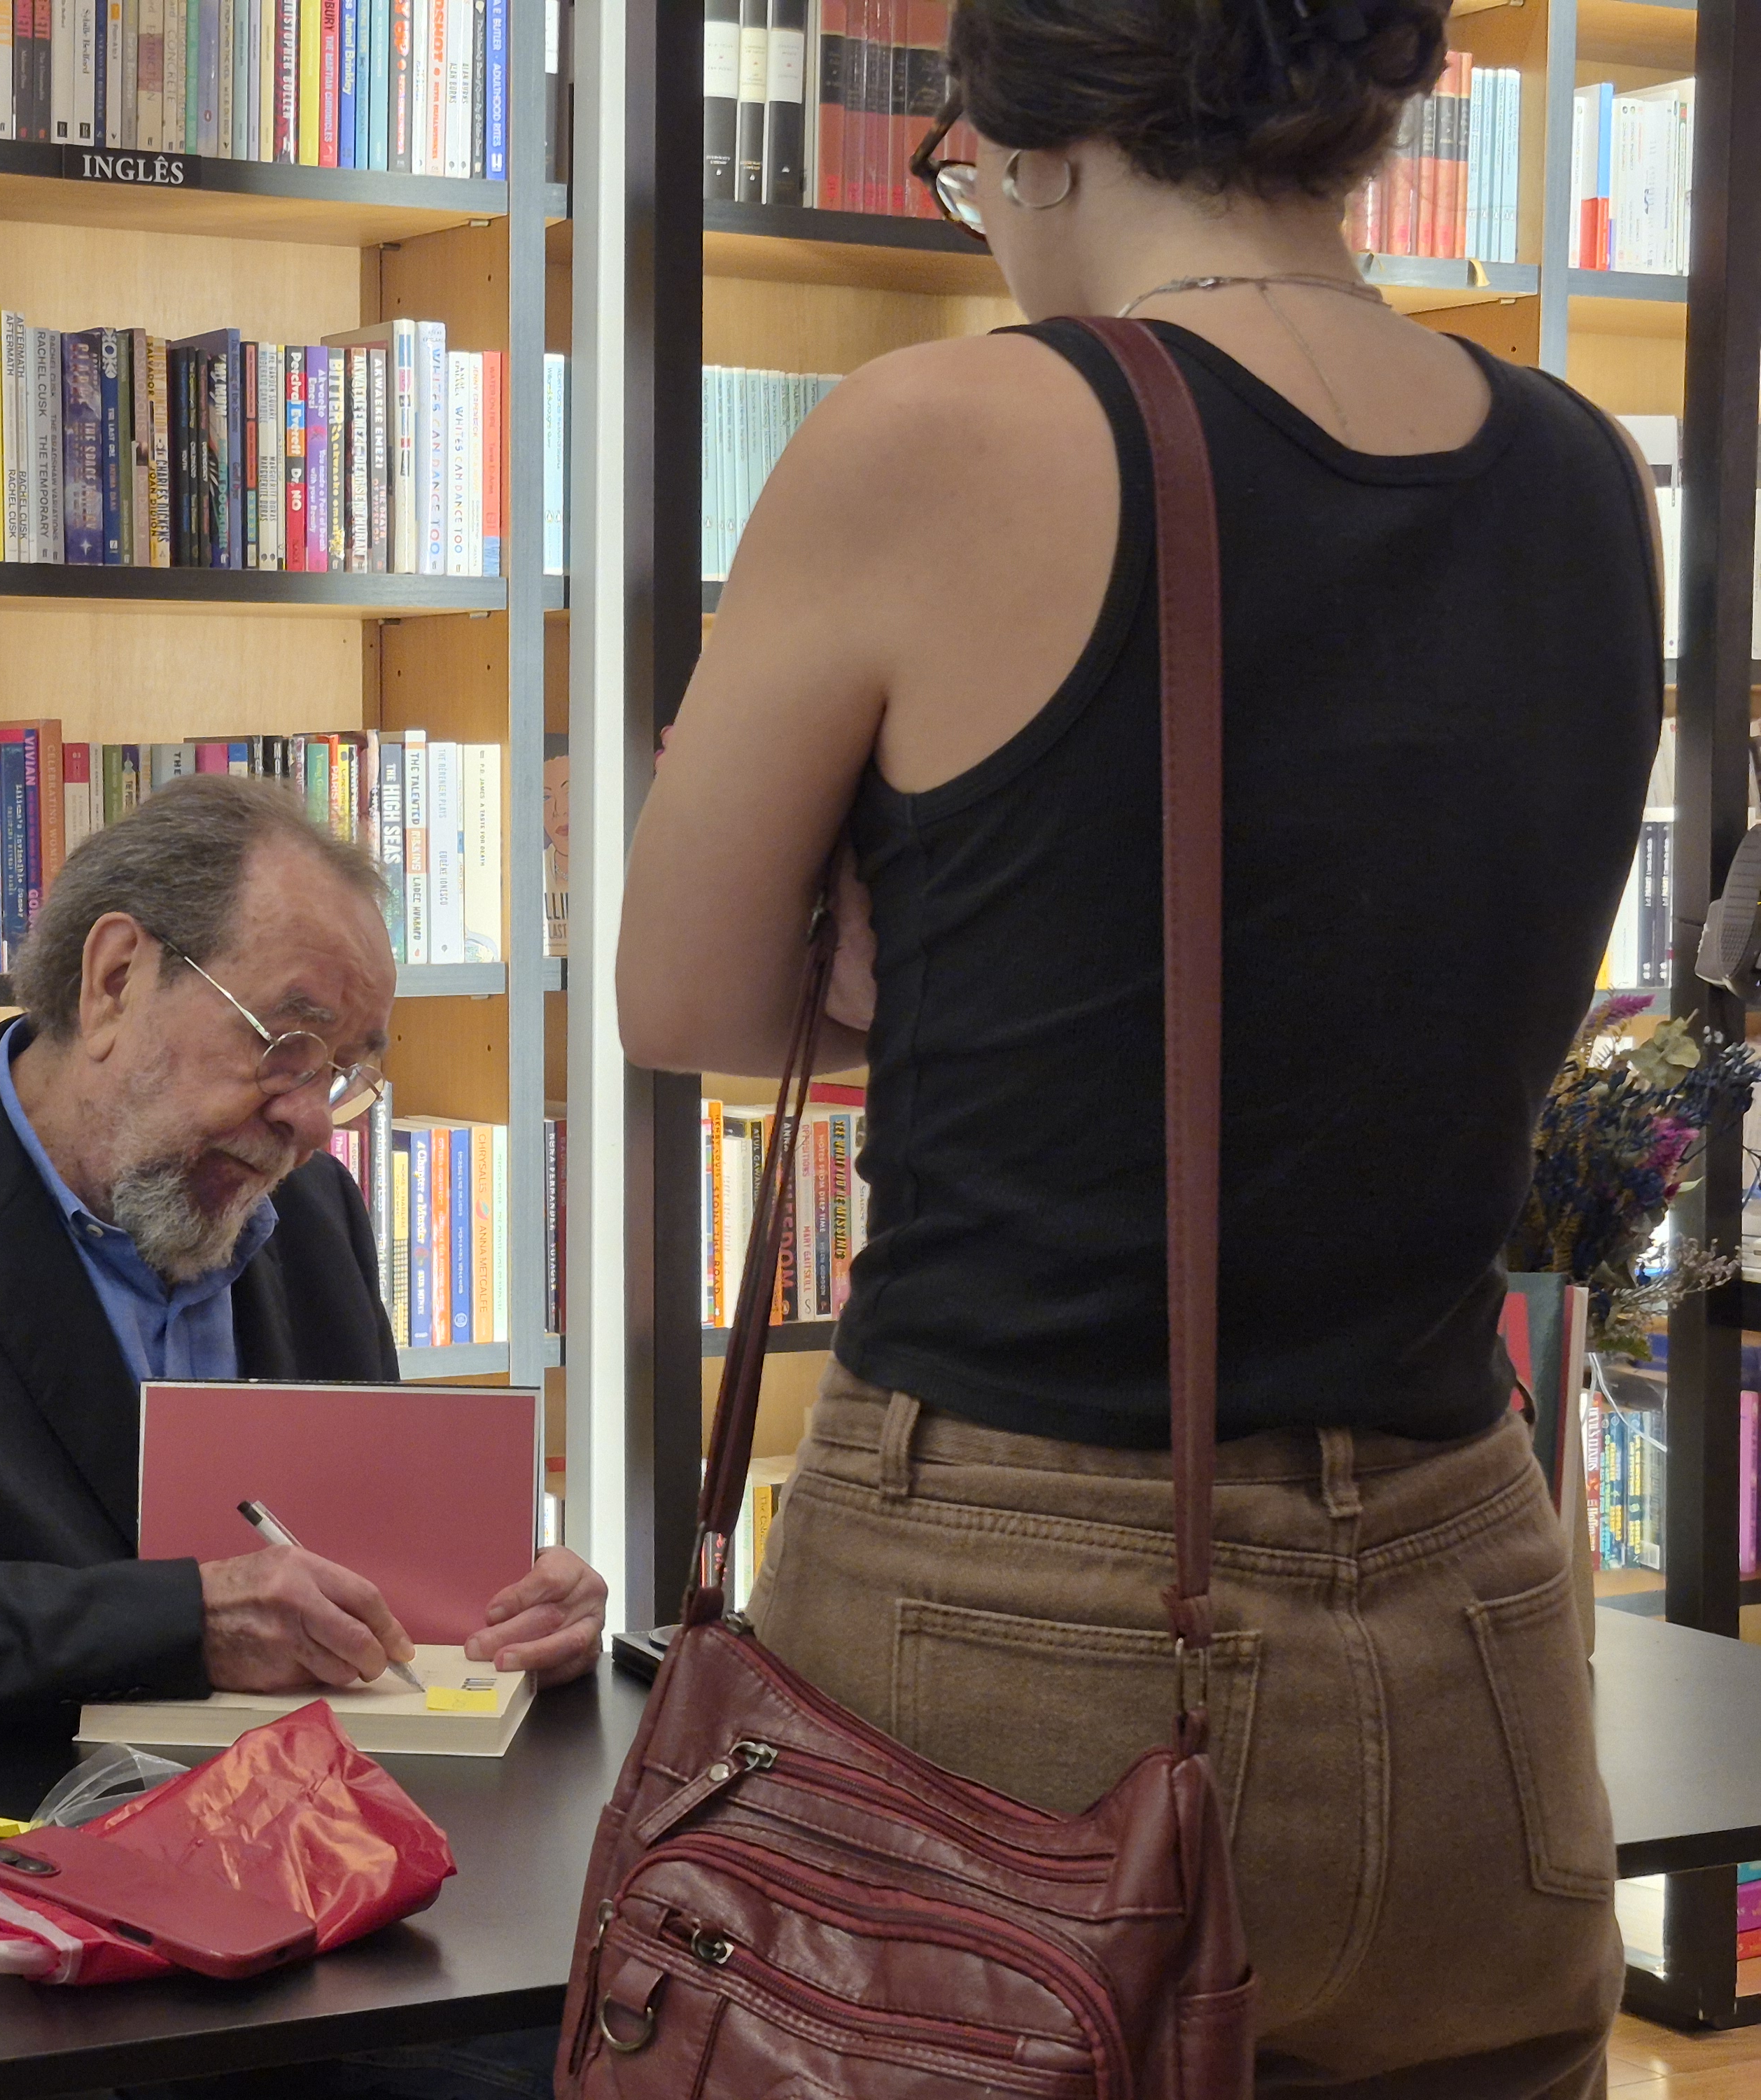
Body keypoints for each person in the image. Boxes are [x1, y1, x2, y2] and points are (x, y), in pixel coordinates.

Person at [614, 0, 1656, 2092]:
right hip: (1479, 1619)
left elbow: (694, 995)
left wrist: (916, 915)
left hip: (1014, 1611)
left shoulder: (947, 437)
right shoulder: (1583, 475)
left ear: (1030, 130)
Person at [0, 774, 606, 1739]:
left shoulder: (313, 1220)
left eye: (346, 1073)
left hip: (313, 1841)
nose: (313, 1123)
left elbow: (357, 1560)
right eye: (285, 1045)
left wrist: (509, 1613)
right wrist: (176, 1624)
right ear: (114, 982)